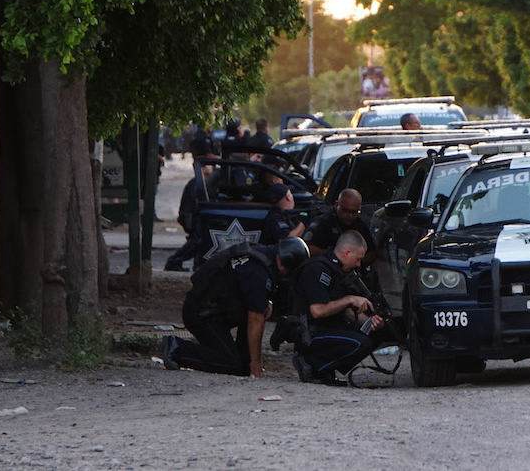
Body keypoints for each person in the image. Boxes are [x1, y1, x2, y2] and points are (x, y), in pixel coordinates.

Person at [159, 238, 310, 377]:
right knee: (230, 363)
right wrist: (256, 363)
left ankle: (245, 361)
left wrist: (265, 302)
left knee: (242, 367)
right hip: (202, 314)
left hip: (210, 308)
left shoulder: (261, 255)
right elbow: (254, 320)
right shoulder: (258, 272)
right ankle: (177, 348)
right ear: (285, 263)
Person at [290, 230, 385, 384]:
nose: (359, 264)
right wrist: (349, 299)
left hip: (329, 328)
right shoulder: (318, 268)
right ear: (347, 252)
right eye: (358, 259)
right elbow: (318, 311)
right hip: (311, 334)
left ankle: (324, 371)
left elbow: (344, 312)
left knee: (374, 336)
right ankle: (310, 364)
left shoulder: (339, 272)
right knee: (361, 343)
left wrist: (372, 322)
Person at [165, 164, 215, 272]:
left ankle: (198, 264)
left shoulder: (204, 183)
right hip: (190, 218)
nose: (212, 167)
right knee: (197, 241)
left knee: (200, 241)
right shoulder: (196, 183)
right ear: (202, 168)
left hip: (194, 217)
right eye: (209, 165)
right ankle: (174, 261)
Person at [302, 188, 374, 259]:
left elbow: (372, 251)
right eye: (346, 211)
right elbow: (307, 248)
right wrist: (334, 255)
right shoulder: (323, 222)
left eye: (354, 212)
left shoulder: (360, 225)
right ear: (337, 205)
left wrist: (358, 260)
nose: (350, 215)